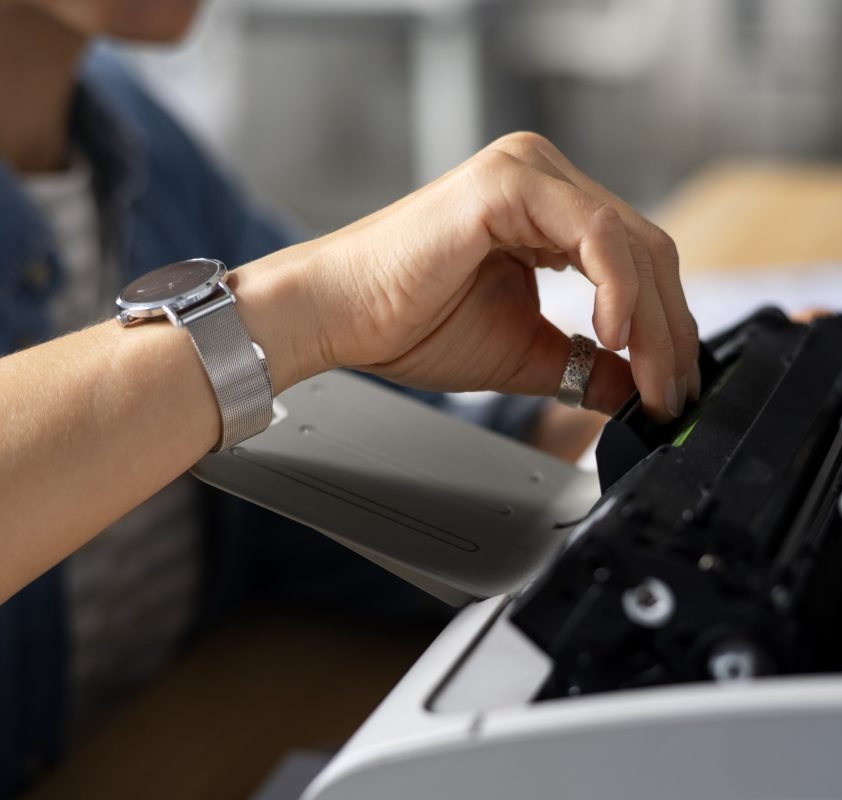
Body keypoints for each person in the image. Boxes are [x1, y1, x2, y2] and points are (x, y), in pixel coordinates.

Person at [0, 0, 699, 794]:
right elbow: (299, 327)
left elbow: (317, 449)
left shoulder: (132, 133)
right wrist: (305, 309)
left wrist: (641, 416)